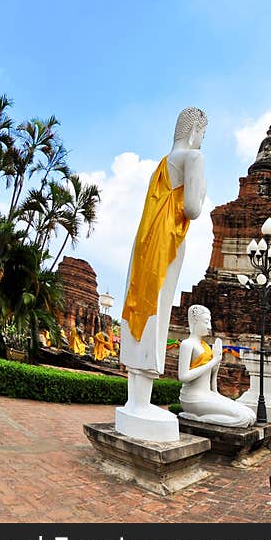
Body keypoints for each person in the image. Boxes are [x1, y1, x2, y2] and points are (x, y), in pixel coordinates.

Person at [116, 107, 208, 442]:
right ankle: (141, 403)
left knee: (139, 302)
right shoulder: (194, 157)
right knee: (156, 309)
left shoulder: (162, 162)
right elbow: (193, 209)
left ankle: (134, 400)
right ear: (197, 129)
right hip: (167, 242)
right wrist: (201, 189)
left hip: (144, 242)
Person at [177, 305, 256, 428]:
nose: (209, 327)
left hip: (208, 394)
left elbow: (213, 387)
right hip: (192, 398)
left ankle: (201, 417)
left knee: (251, 415)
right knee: (243, 419)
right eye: (206, 322)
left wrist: (217, 363)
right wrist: (213, 362)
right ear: (194, 322)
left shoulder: (207, 347)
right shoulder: (187, 344)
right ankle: (200, 418)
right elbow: (183, 376)